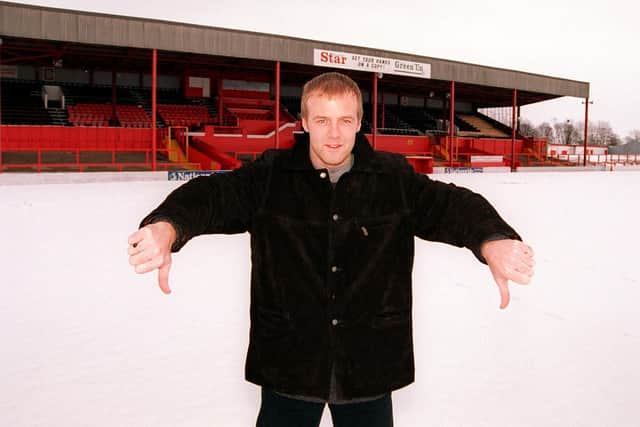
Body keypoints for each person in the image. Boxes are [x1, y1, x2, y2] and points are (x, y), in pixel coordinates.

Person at [128, 72, 535, 426]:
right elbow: (212, 196)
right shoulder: (271, 176)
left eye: (345, 120)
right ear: (304, 121)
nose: (334, 133)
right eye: (322, 120)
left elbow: (452, 206)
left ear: (360, 122)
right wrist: (168, 227)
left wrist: (492, 239)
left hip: (369, 361)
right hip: (290, 358)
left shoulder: (392, 179)